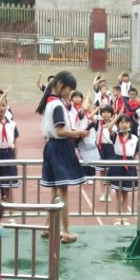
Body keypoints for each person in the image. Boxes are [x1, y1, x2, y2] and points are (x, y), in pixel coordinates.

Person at [39, 71, 88, 244]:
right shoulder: (57, 105)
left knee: (55, 190)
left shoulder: (50, 102)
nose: (70, 93)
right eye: (69, 89)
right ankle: (66, 231)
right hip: (60, 147)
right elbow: (60, 131)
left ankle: (46, 227)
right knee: (63, 191)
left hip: (51, 147)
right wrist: (78, 132)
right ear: (60, 85)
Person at [109, 116, 139, 224]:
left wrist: (135, 165)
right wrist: (118, 115)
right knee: (118, 193)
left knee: (126, 193)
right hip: (117, 163)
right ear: (118, 125)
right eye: (121, 122)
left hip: (129, 164)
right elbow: (109, 128)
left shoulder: (135, 138)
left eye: (127, 122)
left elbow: (136, 153)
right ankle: (118, 217)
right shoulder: (115, 136)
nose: (124, 124)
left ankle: (125, 217)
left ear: (130, 124)